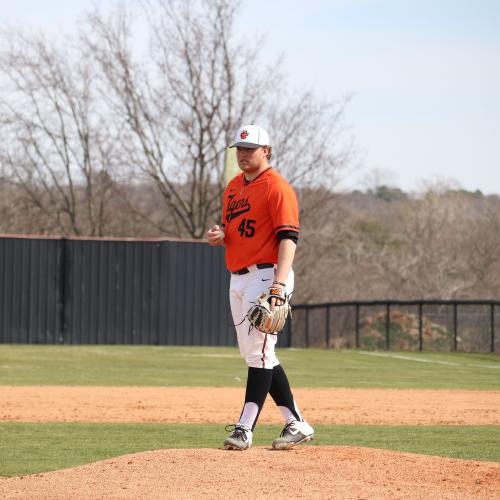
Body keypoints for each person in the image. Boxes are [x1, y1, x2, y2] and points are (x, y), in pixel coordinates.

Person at [206, 124, 314, 450]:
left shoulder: (276, 188)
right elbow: (233, 229)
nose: (242, 154)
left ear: (265, 151)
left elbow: (288, 239)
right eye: (239, 149)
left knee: (260, 353)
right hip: (237, 276)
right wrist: (220, 235)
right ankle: (296, 423)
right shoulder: (233, 188)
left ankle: (244, 428)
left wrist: (279, 285)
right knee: (256, 354)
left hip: (267, 275)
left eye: (249, 149)